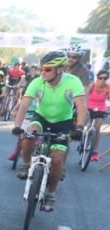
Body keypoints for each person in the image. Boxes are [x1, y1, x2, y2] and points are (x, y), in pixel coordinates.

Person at [13, 51, 87, 212]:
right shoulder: (37, 82)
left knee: (57, 159)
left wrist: (79, 128)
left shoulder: (73, 82)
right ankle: (26, 164)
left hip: (63, 122)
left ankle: (51, 194)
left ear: (59, 69)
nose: (42, 73)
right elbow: (24, 105)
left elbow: (82, 107)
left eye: (47, 69)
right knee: (28, 135)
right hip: (41, 118)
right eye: (41, 69)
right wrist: (17, 125)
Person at [87, 70, 110, 160]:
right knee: (86, 124)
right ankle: (84, 139)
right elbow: (85, 95)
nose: (103, 80)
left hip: (101, 108)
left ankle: (95, 151)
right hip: (90, 106)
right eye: (100, 78)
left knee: (97, 128)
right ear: (97, 78)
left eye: (105, 78)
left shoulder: (108, 87)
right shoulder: (92, 85)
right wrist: (84, 106)